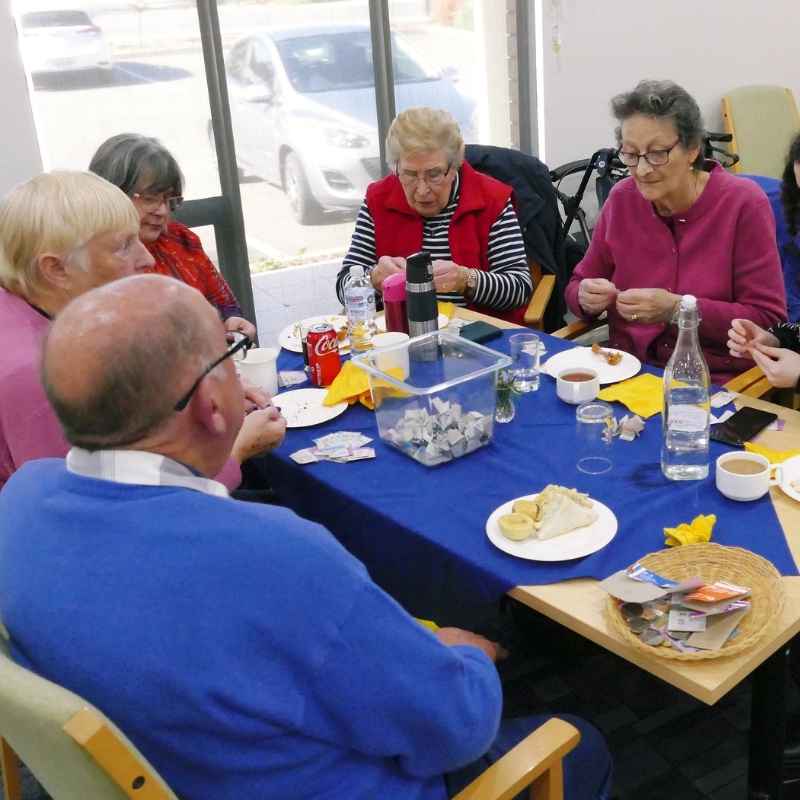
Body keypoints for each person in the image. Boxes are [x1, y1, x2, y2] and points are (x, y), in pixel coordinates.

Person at [0, 274, 613, 800]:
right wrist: (469, 658)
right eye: (229, 357)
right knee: (581, 743)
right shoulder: (276, 555)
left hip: (180, 762)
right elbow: (454, 730)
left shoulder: (19, 502)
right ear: (212, 407)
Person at [0, 171, 283, 491]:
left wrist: (205, 390)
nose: (146, 258)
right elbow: (95, 515)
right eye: (124, 246)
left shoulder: (33, 310)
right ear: (56, 269)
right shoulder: (31, 371)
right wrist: (238, 450)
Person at [564, 80, 786, 385]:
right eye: (630, 154)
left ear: (693, 147)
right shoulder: (622, 199)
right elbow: (577, 285)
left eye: (657, 154)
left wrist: (678, 309)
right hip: (628, 371)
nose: (642, 170)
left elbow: (767, 320)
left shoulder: (742, 205)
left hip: (714, 381)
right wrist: (586, 298)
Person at [335, 107, 533, 325]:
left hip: (477, 337)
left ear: (455, 167)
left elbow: (519, 289)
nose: (421, 190)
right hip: (400, 336)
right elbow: (344, 287)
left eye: (434, 174)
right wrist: (372, 280)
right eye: (409, 174)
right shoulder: (378, 199)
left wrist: (465, 279)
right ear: (396, 167)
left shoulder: (492, 200)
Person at [89, 132, 256, 342]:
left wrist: (234, 323)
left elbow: (224, 306)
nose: (163, 211)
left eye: (170, 201)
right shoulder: (93, 261)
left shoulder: (180, 240)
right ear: (111, 193)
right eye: (151, 198)